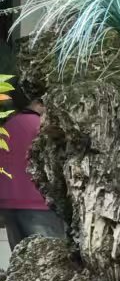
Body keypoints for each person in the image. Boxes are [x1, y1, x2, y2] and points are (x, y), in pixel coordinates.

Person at [0, 91, 66, 251]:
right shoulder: (43, 127)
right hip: (39, 204)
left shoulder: (7, 126)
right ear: (39, 103)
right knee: (51, 258)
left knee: (23, 259)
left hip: (9, 204)